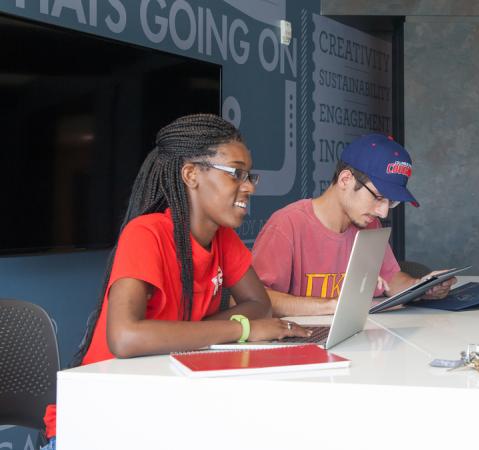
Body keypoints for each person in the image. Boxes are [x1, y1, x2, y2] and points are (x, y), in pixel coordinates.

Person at [40, 114, 310, 450]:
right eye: (236, 174)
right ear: (191, 174)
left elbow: (260, 305)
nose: (250, 185)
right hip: (94, 419)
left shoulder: (222, 238)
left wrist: (185, 330)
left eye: (249, 175)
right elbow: (125, 337)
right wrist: (241, 329)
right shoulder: (147, 233)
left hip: (158, 403)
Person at [250, 133, 455, 317]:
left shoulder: (370, 224)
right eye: (378, 197)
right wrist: (335, 306)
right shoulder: (287, 224)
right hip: (303, 347)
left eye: (391, 202)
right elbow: (250, 301)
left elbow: (391, 279)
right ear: (345, 179)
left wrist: (421, 287)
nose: (383, 212)